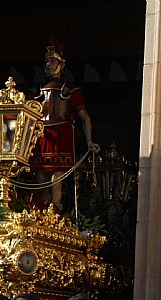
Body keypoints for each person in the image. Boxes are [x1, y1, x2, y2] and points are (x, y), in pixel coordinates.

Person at [31, 45, 100, 212]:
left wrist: (89, 140)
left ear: (61, 64)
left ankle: (54, 213)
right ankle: (44, 212)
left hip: (61, 135)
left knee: (56, 180)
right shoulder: (37, 91)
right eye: (46, 61)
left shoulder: (69, 90)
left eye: (52, 61)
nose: (48, 64)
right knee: (40, 180)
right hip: (41, 135)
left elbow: (85, 117)